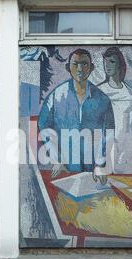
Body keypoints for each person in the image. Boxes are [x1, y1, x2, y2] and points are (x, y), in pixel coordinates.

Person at [38, 48, 115, 184]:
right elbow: (43, 125)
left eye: (84, 64)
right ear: (68, 67)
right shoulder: (56, 96)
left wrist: (100, 165)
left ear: (91, 68)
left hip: (93, 172)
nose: (80, 69)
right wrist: (56, 159)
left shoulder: (103, 100)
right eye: (75, 64)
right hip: (64, 170)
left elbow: (108, 133)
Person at [98, 47, 132, 174]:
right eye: (105, 62)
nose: (107, 65)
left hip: (125, 149)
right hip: (105, 148)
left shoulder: (130, 94)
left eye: (112, 61)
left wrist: (130, 148)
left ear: (120, 65)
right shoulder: (99, 92)